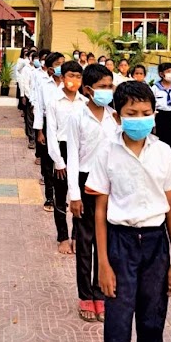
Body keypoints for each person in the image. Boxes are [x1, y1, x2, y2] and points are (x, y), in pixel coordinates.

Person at [87, 81, 171, 342]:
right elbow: (100, 210)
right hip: (119, 242)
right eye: (131, 113)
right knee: (117, 321)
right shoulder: (107, 151)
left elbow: (170, 207)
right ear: (118, 115)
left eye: (146, 113)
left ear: (154, 114)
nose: (139, 118)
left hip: (156, 244)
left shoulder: (163, 152)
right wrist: (103, 263)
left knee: (152, 320)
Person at [67, 64, 118, 323]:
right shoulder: (77, 115)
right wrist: (73, 194)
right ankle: (85, 295)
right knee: (85, 241)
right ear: (88, 90)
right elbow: (72, 156)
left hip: (109, 184)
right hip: (85, 181)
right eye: (102, 87)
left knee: (105, 241)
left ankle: (101, 292)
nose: (107, 91)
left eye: (110, 86)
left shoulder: (114, 117)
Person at [46, 60, 85, 255]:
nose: (74, 80)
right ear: (62, 77)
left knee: (79, 196)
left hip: (80, 153)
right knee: (60, 197)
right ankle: (63, 236)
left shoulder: (84, 102)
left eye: (78, 77)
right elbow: (51, 132)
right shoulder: (54, 101)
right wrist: (58, 160)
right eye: (71, 76)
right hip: (61, 150)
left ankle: (78, 235)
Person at [33, 51, 62, 213]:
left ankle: (60, 196)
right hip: (47, 125)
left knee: (62, 162)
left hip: (64, 128)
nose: (61, 67)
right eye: (58, 64)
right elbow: (39, 108)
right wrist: (39, 132)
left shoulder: (68, 85)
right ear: (50, 69)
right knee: (48, 163)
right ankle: (49, 196)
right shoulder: (44, 85)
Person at [152, 62, 171, 158]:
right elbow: (152, 106)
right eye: (168, 71)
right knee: (161, 144)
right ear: (161, 74)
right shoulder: (155, 88)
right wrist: (153, 125)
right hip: (160, 118)